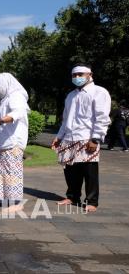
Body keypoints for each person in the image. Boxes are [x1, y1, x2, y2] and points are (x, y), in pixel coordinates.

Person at [51, 64, 111, 213]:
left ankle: (92, 201)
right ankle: (72, 196)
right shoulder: (71, 95)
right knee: (70, 170)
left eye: (80, 74)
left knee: (89, 171)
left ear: (90, 74)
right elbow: (65, 119)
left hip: (87, 137)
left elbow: (102, 118)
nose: (77, 77)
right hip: (70, 137)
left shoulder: (99, 92)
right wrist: (59, 137)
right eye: (74, 75)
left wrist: (96, 139)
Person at [0, 73, 30, 213]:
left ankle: (16, 202)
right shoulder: (4, 100)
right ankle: (1, 199)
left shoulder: (16, 96)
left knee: (11, 172)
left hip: (12, 142)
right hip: (3, 142)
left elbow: (17, 114)